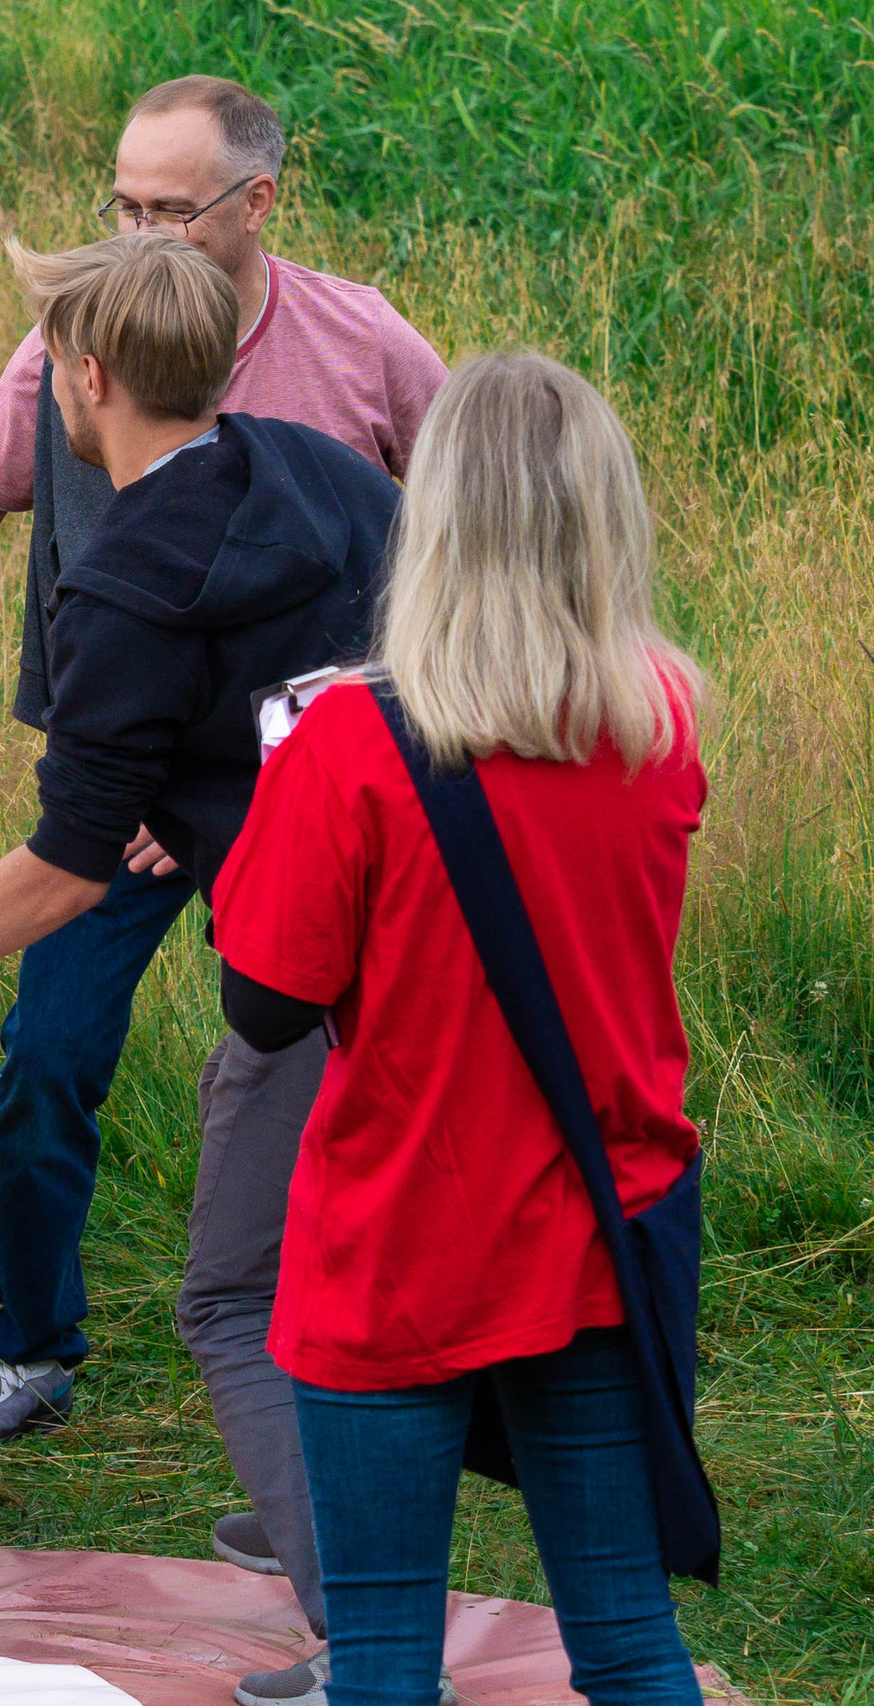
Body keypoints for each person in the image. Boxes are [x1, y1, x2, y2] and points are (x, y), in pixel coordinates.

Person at [0, 231, 408, 1706]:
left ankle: (365, 1635)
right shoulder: (335, 477)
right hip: (450, 933)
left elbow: (63, 865)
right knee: (346, 1255)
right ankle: (323, 1499)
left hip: (322, 971)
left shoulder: (120, 583)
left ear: (83, 376)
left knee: (234, 1295)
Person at [0, 74, 447, 1458]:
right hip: (113, 805)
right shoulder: (75, 339)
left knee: (332, 1075)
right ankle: (25, 1341)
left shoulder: (362, 347)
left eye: (167, 211)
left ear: (257, 205)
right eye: (119, 203)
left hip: (301, 812)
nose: (135, 235)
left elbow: (448, 544)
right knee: (48, 1053)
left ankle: (344, 1357)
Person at [211, 353, 708, 1705]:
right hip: (600, 1226)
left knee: (380, 1654)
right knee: (622, 1633)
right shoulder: (658, 722)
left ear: (432, 519)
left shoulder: (350, 746)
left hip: (398, 1241)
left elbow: (262, 1002)